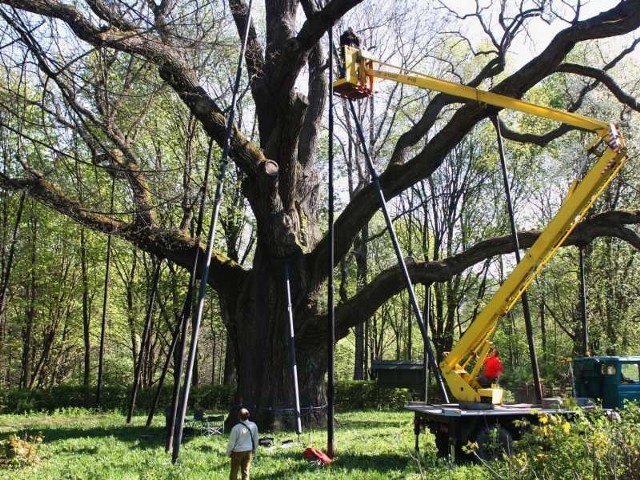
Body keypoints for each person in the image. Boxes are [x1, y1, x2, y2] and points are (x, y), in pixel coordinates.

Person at [226, 408, 259, 480]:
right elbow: (256, 439)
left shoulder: (235, 428)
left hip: (237, 452)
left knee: (234, 471)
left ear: (239, 416)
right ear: (249, 415)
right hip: (248, 451)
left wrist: (228, 452)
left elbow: (231, 442)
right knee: (246, 471)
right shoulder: (253, 425)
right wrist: (254, 450)